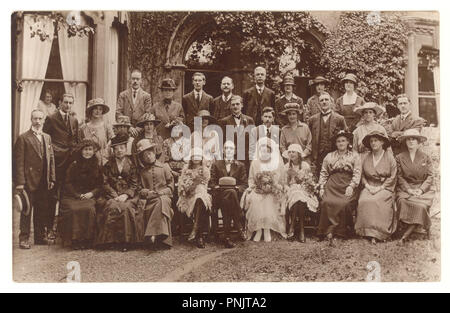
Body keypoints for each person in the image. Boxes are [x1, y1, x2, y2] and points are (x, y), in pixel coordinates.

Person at [13, 109, 56, 249]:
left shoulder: (47, 137)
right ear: (31, 120)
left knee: (41, 209)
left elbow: (51, 159)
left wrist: (51, 178)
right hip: (28, 180)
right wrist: (20, 182)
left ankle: (39, 237)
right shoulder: (23, 138)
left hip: (43, 181)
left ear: (43, 121)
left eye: (40, 119)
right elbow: (18, 162)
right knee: (26, 210)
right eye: (35, 119)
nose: (37, 121)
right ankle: (24, 238)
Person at [43, 93, 80, 240]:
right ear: (60, 103)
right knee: (52, 196)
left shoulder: (74, 120)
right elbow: (46, 140)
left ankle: (62, 229)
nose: (68, 105)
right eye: (65, 102)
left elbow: (76, 141)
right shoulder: (51, 118)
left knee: (67, 195)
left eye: (71, 103)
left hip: (70, 163)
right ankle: (49, 228)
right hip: (56, 162)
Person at [95, 134, 140, 252]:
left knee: (126, 208)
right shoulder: (107, 165)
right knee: (112, 207)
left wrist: (126, 195)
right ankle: (110, 240)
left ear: (126, 149)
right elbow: (104, 183)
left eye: (122, 148)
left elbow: (135, 184)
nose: (119, 151)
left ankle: (126, 241)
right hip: (112, 195)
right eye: (116, 148)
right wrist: (115, 195)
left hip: (128, 196)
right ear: (113, 151)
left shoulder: (132, 164)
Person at [317, 131, 361, 246]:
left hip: (347, 183)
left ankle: (340, 231)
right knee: (326, 202)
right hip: (333, 183)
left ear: (348, 142)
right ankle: (327, 231)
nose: (341, 143)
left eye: (343, 141)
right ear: (335, 144)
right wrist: (322, 187)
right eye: (338, 141)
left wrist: (352, 186)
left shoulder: (355, 155)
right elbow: (324, 173)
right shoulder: (329, 156)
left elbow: (357, 173)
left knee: (344, 203)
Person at [59, 139, 103, 250]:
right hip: (73, 196)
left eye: (90, 150)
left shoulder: (96, 165)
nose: (87, 152)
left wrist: (91, 193)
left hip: (89, 196)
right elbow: (68, 183)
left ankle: (86, 240)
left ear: (93, 151)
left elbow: (100, 185)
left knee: (89, 209)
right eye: (85, 150)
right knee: (73, 209)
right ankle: (74, 240)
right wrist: (77, 195)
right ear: (81, 151)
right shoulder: (74, 165)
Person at [355, 130, 397, 244]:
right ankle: (366, 232)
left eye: (376, 140)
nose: (373, 143)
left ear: (382, 142)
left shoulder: (390, 157)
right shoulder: (366, 157)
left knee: (377, 200)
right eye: (371, 141)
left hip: (385, 187)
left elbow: (393, 176)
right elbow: (362, 175)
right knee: (364, 200)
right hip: (369, 185)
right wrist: (367, 186)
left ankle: (380, 233)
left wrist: (380, 187)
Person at [241, 138, 287, 242]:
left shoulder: (276, 163)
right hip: (258, 190)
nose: (264, 153)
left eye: (267, 151)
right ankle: (258, 229)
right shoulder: (255, 163)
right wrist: (255, 187)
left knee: (269, 200)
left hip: (272, 190)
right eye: (261, 151)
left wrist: (272, 186)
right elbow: (251, 179)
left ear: (271, 152)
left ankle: (267, 228)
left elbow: (280, 180)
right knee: (255, 199)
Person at [396, 129, 435, 245]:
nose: (411, 141)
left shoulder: (425, 157)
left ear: (419, 142)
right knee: (402, 201)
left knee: (421, 206)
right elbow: (399, 176)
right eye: (408, 139)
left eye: (414, 139)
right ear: (405, 142)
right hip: (406, 189)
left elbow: (430, 176)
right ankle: (410, 228)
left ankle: (405, 235)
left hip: (423, 189)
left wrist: (421, 189)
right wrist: (408, 189)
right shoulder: (399, 157)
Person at [135, 139, 175, 249]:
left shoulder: (164, 167)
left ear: (154, 153)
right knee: (158, 203)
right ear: (142, 158)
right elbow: (138, 188)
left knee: (162, 201)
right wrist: (147, 192)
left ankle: (153, 235)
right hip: (149, 200)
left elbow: (171, 186)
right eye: (144, 155)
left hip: (164, 197)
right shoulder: (142, 172)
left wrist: (162, 192)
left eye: (150, 153)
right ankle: (161, 237)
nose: (148, 156)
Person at [210, 141, 248, 248]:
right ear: (223, 150)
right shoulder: (216, 164)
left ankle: (226, 236)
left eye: (231, 148)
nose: (229, 150)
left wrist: (236, 188)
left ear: (235, 151)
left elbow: (244, 184)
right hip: (219, 196)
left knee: (230, 194)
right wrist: (217, 187)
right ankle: (238, 222)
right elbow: (212, 182)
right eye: (227, 148)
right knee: (229, 194)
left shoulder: (240, 165)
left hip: (233, 196)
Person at [177, 147, 212, 248]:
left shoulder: (205, 170)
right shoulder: (186, 169)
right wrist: (185, 188)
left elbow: (204, 185)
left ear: (201, 157)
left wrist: (196, 185)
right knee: (197, 201)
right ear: (191, 157)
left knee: (200, 199)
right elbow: (181, 182)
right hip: (188, 196)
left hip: (201, 195)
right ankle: (198, 235)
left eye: (198, 155)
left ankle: (196, 230)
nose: (196, 158)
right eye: (194, 155)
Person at [283, 144, 318, 243]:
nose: (291, 154)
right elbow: (285, 183)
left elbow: (309, 181)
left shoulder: (305, 166)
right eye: (289, 152)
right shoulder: (286, 167)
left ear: (299, 154)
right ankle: (301, 229)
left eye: (293, 152)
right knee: (296, 194)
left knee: (299, 196)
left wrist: (303, 186)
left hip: (304, 191)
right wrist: (289, 188)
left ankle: (293, 226)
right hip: (291, 191)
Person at [308, 92, 348, 176]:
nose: (324, 102)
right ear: (319, 104)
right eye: (321, 100)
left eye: (326, 99)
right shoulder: (312, 120)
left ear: (331, 102)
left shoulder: (340, 119)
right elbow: (309, 138)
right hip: (318, 156)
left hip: (335, 155)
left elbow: (346, 137)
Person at [219, 95, 255, 169]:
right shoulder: (224, 121)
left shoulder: (249, 120)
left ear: (242, 105)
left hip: (246, 157)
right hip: (231, 156)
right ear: (230, 107)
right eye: (233, 104)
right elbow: (222, 141)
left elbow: (253, 141)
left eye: (237, 104)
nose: (235, 106)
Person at [116, 69, 152, 137]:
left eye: (137, 79)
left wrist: (138, 129)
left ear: (141, 81)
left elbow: (148, 114)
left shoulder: (146, 96)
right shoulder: (123, 95)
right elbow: (118, 113)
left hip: (141, 132)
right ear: (130, 80)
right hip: (125, 131)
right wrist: (128, 127)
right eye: (133, 79)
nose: (135, 81)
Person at [79, 98, 114, 165]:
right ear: (91, 110)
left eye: (100, 109)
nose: (98, 111)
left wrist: (105, 155)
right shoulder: (83, 128)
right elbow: (80, 145)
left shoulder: (106, 126)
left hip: (103, 161)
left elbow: (112, 141)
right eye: (95, 108)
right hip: (87, 161)